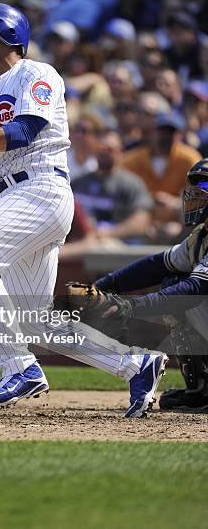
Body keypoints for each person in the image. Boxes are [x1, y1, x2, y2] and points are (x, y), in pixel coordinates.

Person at [0, 2, 167, 418]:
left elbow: (23, 131)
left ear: (12, 34)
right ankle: (136, 364)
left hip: (40, 186)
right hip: (13, 195)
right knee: (36, 320)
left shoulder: (38, 74)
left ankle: (17, 367)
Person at [94, 158, 208, 412]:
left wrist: (130, 307)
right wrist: (103, 286)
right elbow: (158, 265)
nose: (196, 192)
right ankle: (202, 391)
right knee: (171, 280)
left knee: (180, 295)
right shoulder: (201, 236)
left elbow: (192, 290)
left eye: (205, 184)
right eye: (195, 184)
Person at [72, 130, 153, 243]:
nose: (104, 153)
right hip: (79, 241)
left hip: (113, 244)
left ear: (120, 152)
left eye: (110, 149)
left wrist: (107, 233)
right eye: (101, 149)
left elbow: (141, 222)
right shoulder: (78, 183)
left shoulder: (132, 184)